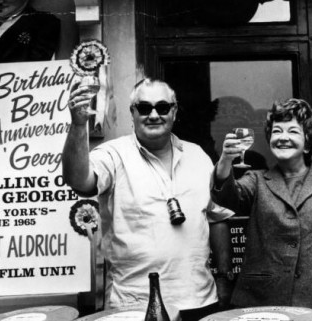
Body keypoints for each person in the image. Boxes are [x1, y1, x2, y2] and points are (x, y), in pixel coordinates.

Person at [62, 78, 234, 320]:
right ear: (132, 112)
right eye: (144, 108)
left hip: (200, 299)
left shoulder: (198, 155)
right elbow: (79, 181)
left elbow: (217, 218)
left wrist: (224, 278)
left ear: (174, 111)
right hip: (135, 304)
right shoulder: (113, 154)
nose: (154, 115)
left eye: (162, 107)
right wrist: (79, 126)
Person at [211, 98, 312, 312]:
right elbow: (226, 199)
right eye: (277, 131)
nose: (283, 138)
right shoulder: (256, 180)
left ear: (308, 142)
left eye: (292, 131)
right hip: (261, 302)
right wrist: (226, 160)